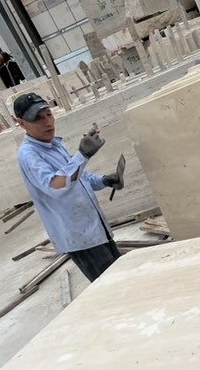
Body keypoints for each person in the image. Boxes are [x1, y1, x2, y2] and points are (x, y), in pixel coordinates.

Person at [13, 92, 124, 282]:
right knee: (110, 286)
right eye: (37, 118)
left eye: (48, 114)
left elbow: (78, 176)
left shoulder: (54, 145)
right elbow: (55, 186)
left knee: (121, 277)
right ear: (21, 123)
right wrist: (82, 155)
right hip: (79, 237)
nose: (47, 122)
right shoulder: (29, 154)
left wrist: (103, 180)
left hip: (94, 227)